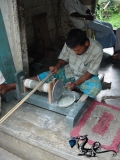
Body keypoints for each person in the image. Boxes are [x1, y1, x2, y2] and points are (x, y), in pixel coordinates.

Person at [31, 29, 103, 99]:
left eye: (78, 50)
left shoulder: (97, 50)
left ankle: (69, 86)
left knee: (95, 89)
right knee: (45, 76)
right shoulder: (70, 43)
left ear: (86, 43)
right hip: (69, 71)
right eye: (73, 50)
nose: (75, 53)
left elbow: (89, 73)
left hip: (85, 76)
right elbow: (63, 58)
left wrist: (75, 84)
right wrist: (57, 66)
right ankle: (22, 83)